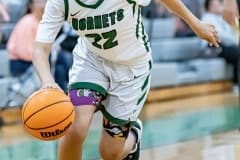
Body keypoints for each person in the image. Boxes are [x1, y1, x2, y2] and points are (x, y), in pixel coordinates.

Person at [32, 0, 219, 160]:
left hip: (131, 69)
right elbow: (41, 48)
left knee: (110, 153)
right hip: (91, 63)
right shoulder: (60, 2)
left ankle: (134, 135)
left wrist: (195, 24)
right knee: (75, 127)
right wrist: (47, 81)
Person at [202, 0, 239, 93]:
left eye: (218, 2)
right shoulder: (207, 17)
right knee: (237, 54)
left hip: (226, 45)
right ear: (209, 7)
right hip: (212, 47)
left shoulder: (222, 18)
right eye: (215, 3)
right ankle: (236, 83)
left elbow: (231, 34)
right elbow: (220, 35)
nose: (218, 5)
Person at [7, 0, 46, 77]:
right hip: (21, 63)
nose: (44, 5)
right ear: (31, 6)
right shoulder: (27, 22)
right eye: (40, 2)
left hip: (33, 61)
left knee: (61, 63)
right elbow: (25, 54)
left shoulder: (39, 22)